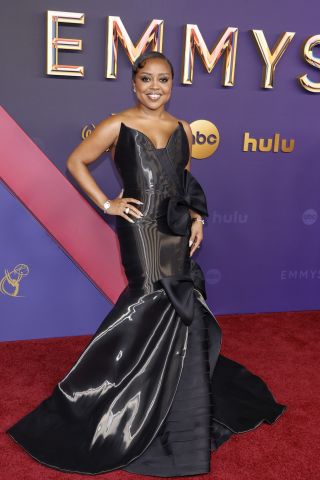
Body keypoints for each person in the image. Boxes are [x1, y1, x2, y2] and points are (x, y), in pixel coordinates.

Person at [6, 51, 286, 477]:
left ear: (172, 84)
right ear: (134, 84)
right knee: (147, 296)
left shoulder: (182, 128)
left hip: (174, 226)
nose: (155, 87)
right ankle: (101, 387)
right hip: (139, 227)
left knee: (178, 299)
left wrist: (195, 217)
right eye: (146, 79)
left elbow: (186, 177)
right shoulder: (116, 124)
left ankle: (173, 388)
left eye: (163, 80)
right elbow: (75, 161)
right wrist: (107, 203)